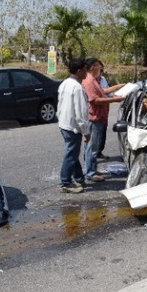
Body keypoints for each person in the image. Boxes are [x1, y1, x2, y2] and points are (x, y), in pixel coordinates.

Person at [82, 58, 125, 182]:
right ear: (92, 68)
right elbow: (95, 100)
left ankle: (91, 168)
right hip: (94, 117)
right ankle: (90, 173)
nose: (100, 69)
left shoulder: (94, 80)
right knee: (92, 147)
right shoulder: (89, 81)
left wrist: (115, 93)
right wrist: (114, 100)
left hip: (99, 117)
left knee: (92, 147)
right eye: (98, 67)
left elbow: (102, 93)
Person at [57, 58, 91, 193]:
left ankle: (79, 178)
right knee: (71, 154)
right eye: (85, 70)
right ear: (79, 71)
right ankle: (65, 182)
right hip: (72, 126)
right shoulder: (77, 87)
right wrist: (86, 131)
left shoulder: (65, 83)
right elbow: (81, 113)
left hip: (64, 124)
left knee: (73, 153)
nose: (86, 73)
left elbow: (59, 105)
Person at [96, 65, 124, 158]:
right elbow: (102, 92)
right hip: (95, 112)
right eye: (99, 70)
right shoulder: (90, 81)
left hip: (104, 109)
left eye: (101, 70)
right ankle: (92, 161)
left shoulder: (102, 79)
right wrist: (117, 87)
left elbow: (108, 93)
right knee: (95, 136)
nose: (101, 72)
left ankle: (99, 152)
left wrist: (114, 96)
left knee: (103, 131)